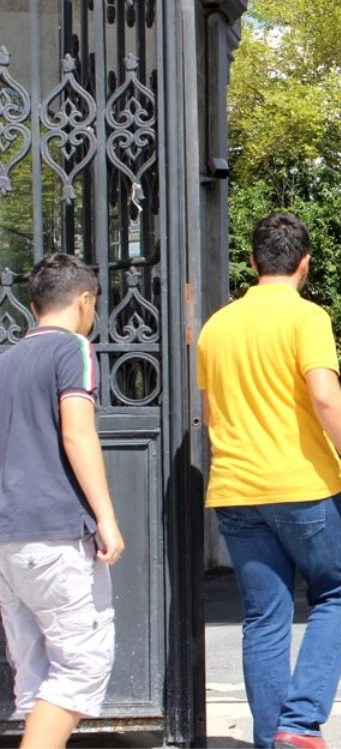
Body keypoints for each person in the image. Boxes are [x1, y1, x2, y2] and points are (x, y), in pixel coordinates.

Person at [199, 212, 341, 749]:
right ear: (305, 263)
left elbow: (211, 413)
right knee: (336, 594)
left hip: (236, 490)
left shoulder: (216, 326)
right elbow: (325, 396)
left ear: (253, 262)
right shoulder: (308, 318)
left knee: (263, 618)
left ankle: (271, 738)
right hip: (303, 487)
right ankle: (299, 724)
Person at [0, 253, 124, 749]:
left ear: (32, 306)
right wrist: (107, 518)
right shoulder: (73, 348)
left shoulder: (6, 361)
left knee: (34, 668)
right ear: (85, 299)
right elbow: (78, 433)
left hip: (10, 540)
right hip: (56, 533)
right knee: (83, 665)